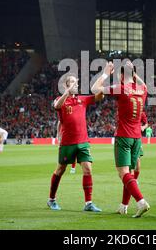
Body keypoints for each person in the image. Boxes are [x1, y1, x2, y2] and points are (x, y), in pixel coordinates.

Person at [92, 61, 150, 218]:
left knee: (123, 173)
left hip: (124, 136)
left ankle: (141, 202)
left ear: (122, 75)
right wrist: (133, 72)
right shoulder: (142, 89)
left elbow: (94, 89)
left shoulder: (121, 88)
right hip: (137, 137)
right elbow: (145, 85)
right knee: (129, 173)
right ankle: (123, 206)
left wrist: (105, 72)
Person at [47, 74, 103, 212]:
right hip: (67, 142)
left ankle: (88, 203)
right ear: (66, 85)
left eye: (76, 82)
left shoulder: (82, 100)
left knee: (88, 169)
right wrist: (68, 91)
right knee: (60, 170)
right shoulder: (60, 100)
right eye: (72, 82)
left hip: (83, 142)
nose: (75, 84)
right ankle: (51, 200)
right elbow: (56, 106)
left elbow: (99, 96)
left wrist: (103, 80)